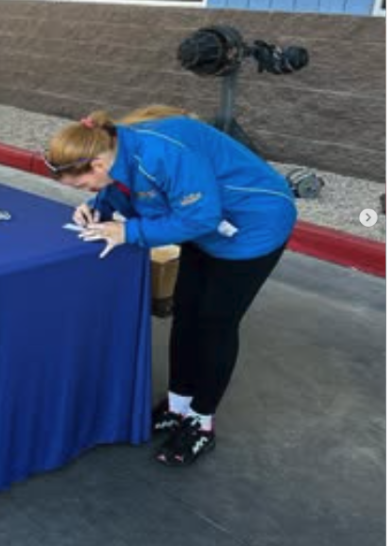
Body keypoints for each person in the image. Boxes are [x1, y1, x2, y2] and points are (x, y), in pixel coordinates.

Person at [44, 105, 296, 466]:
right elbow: (126, 189)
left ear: (97, 164)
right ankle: (177, 406)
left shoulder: (160, 155)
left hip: (253, 223)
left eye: (82, 184)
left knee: (215, 322)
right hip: (203, 225)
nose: (83, 189)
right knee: (186, 312)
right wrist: (96, 205)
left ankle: (201, 421)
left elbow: (201, 216)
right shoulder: (115, 152)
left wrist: (129, 231)